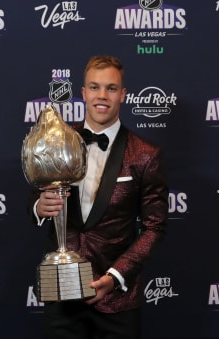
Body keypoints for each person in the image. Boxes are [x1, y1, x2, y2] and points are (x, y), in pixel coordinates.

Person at [29, 55, 168, 339]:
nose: (102, 96)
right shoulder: (56, 141)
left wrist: (115, 277)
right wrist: (38, 208)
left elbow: (155, 226)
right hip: (62, 294)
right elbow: (37, 195)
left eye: (111, 88)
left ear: (123, 95)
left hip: (117, 300)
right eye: (94, 87)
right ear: (83, 93)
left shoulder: (145, 154)